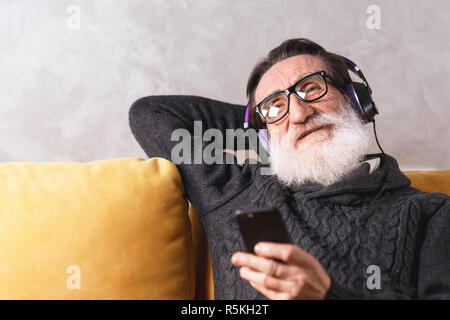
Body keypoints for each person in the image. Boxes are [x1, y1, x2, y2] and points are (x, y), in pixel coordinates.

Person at [128, 38, 450, 299]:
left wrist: (328, 296)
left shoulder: (430, 213)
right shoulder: (235, 189)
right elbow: (151, 114)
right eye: (277, 106)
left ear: (355, 101)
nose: (299, 113)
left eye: (312, 88)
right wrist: (269, 127)